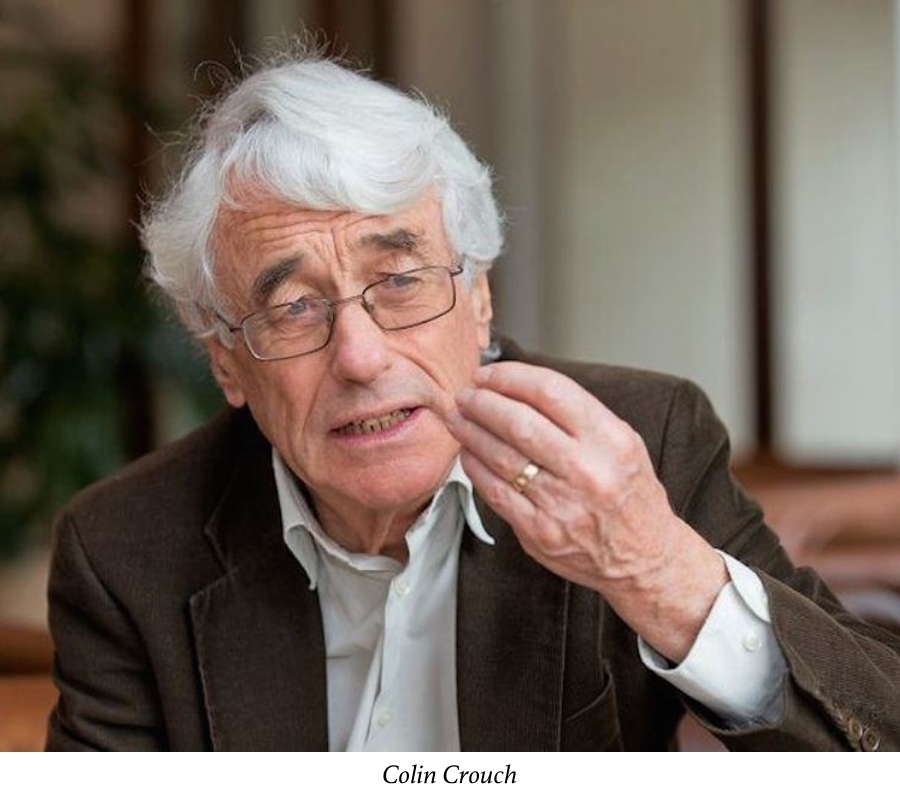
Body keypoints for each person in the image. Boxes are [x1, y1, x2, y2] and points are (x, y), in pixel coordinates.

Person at [46, 50, 900, 752]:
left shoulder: (640, 443)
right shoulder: (127, 549)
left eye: (402, 280)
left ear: (480, 298)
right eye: (294, 307)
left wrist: (656, 569)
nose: (361, 357)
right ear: (227, 363)